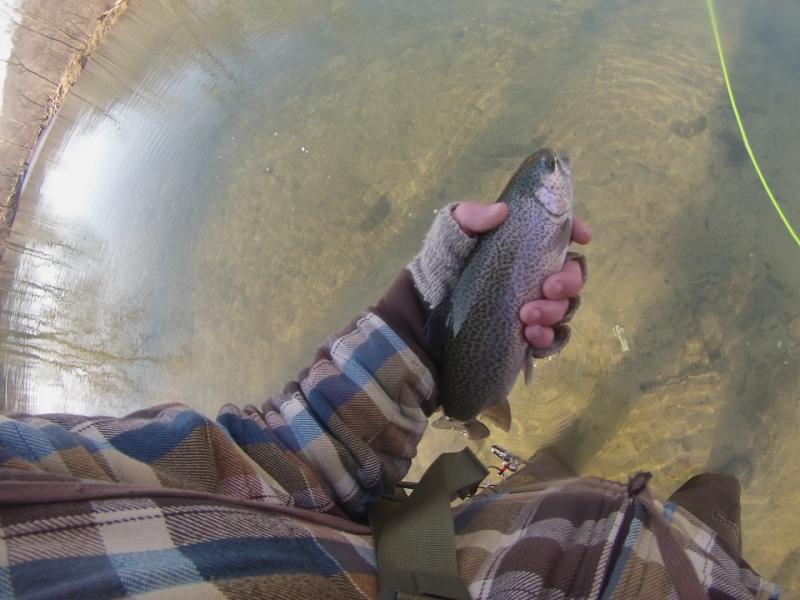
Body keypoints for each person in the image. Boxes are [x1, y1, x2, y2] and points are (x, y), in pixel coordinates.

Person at [0, 202, 779, 599]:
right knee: (718, 498)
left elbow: (270, 463)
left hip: (512, 525)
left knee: (637, 475)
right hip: (671, 575)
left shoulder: (19, 463)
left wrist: (429, 319)